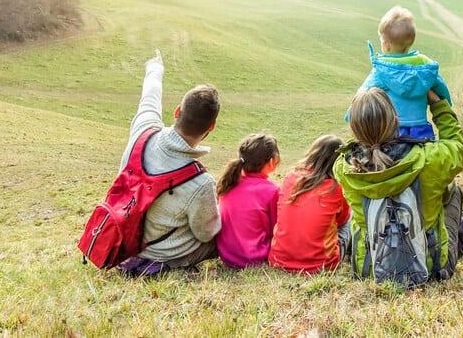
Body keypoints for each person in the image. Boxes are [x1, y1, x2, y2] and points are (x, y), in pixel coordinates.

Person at [334, 87, 463, 282]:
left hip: (369, 269)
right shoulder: (429, 159)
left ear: (354, 128)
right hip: (431, 268)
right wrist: (438, 105)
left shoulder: (344, 168)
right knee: (452, 190)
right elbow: (459, 148)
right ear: (396, 120)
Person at [118, 49, 222, 274]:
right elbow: (206, 233)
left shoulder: (144, 129)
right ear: (211, 126)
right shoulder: (201, 182)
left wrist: (155, 67)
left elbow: (150, 95)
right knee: (222, 234)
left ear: (177, 111)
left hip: (122, 238)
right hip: (163, 255)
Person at [349, 6, 451, 141]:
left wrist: (350, 113)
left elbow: (363, 93)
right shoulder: (424, 65)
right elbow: (440, 86)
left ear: (386, 44)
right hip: (421, 129)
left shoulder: (382, 69)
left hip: (392, 128)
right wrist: (446, 104)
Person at [269, 135, 351, 274]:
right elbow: (342, 220)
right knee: (350, 219)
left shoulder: (291, 177)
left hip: (278, 260)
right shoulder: (336, 188)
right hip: (322, 266)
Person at [216, 134, 281, 269]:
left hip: (226, 256)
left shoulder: (228, 183)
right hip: (255, 258)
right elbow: (275, 229)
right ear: (271, 162)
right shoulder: (272, 191)